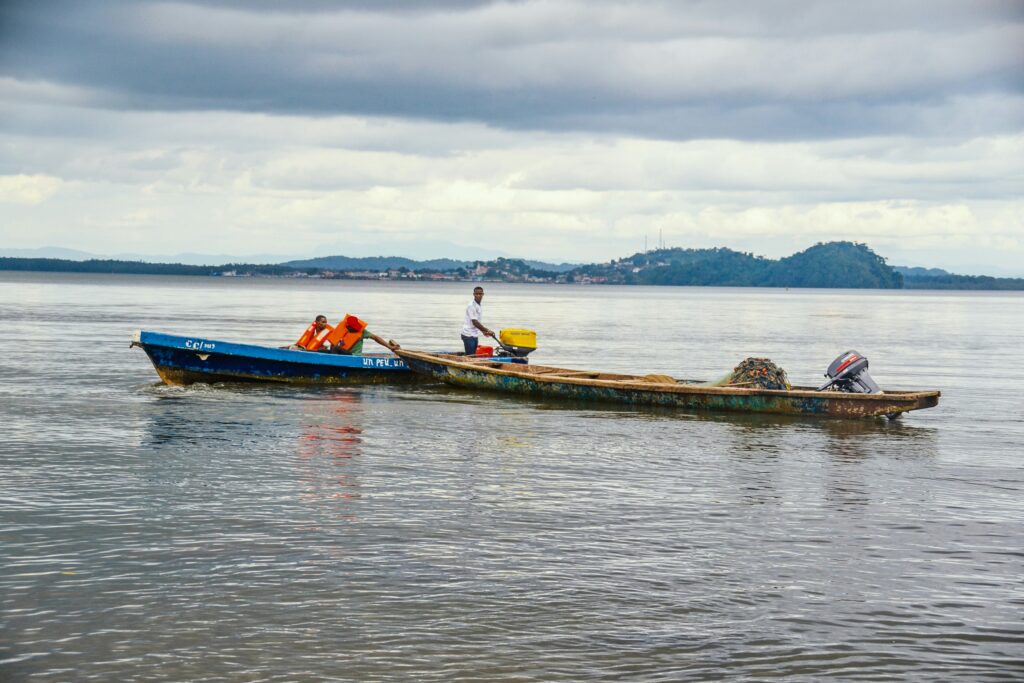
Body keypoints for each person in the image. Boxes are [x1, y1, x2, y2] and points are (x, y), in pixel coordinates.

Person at [323, 314, 390, 355]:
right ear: (348, 326)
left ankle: (335, 367)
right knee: (323, 351)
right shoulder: (342, 330)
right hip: (344, 353)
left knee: (336, 348)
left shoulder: (362, 331)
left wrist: (389, 346)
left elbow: (376, 337)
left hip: (354, 355)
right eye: (354, 327)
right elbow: (333, 343)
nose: (356, 328)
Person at [461, 286, 495, 355]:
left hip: (474, 335)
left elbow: (477, 322)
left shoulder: (478, 305)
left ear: (483, 294)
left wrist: (483, 331)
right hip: (468, 335)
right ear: (474, 294)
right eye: (477, 294)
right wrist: (487, 330)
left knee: (473, 355)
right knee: (470, 356)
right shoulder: (471, 306)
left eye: (480, 294)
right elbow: (475, 322)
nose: (478, 295)